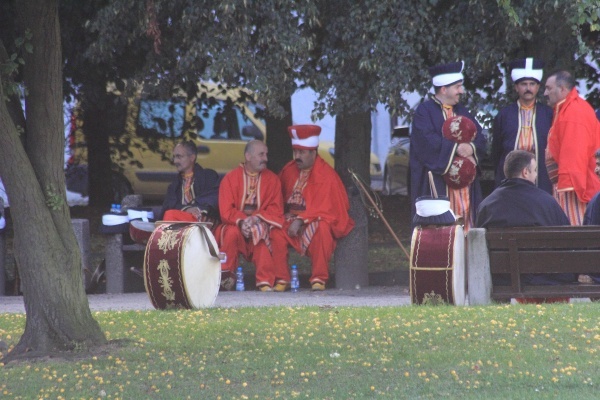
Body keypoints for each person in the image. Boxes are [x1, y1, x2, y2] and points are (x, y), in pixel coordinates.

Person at [477, 150, 574, 303]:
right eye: (535, 170)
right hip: (545, 277)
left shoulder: (487, 205)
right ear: (525, 172)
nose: (536, 175)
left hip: (502, 278)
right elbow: (568, 241)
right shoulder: (547, 202)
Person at [410, 61, 487, 231]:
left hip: (465, 188)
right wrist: (457, 148)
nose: (461, 91)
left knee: (467, 224)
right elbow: (426, 142)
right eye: (458, 87)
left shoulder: (462, 110)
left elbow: (480, 136)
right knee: (440, 230)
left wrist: (471, 148)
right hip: (438, 183)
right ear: (444, 89)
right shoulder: (424, 111)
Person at [276, 125, 354, 291]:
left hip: (316, 220)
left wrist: (302, 219)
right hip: (291, 219)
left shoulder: (327, 175)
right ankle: (282, 278)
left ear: (314, 152)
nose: (297, 156)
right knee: (275, 230)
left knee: (323, 229)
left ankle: (319, 278)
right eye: (295, 151)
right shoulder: (288, 170)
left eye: (302, 152)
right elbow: (277, 200)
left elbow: (327, 209)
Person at [215, 140, 290, 292]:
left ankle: (264, 281)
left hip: (260, 224)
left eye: (266, 154)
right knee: (231, 232)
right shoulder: (230, 179)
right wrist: (242, 223)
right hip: (235, 226)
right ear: (248, 156)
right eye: (261, 154)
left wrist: (256, 219)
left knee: (259, 232)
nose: (266, 159)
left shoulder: (273, 180)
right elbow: (225, 211)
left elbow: (276, 210)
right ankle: (225, 279)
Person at [544, 70, 600, 225]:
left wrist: (569, 184)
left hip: (574, 189)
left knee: (575, 232)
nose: (545, 93)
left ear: (562, 89)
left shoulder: (574, 112)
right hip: (569, 185)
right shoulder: (568, 108)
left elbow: (575, 154)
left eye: (549, 88)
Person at [492, 57, 553, 194]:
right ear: (516, 87)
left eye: (532, 84)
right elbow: (496, 151)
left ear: (538, 87)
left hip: (541, 174)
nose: (528, 88)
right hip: (511, 175)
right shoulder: (504, 115)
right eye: (524, 84)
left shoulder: (548, 114)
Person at [160, 140, 220, 223]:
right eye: (174, 157)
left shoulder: (208, 176)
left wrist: (196, 208)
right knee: (169, 215)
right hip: (181, 222)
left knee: (170, 216)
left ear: (192, 157)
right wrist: (187, 209)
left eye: (179, 157)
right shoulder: (174, 185)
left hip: (204, 222)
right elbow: (168, 206)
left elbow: (213, 198)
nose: (175, 161)